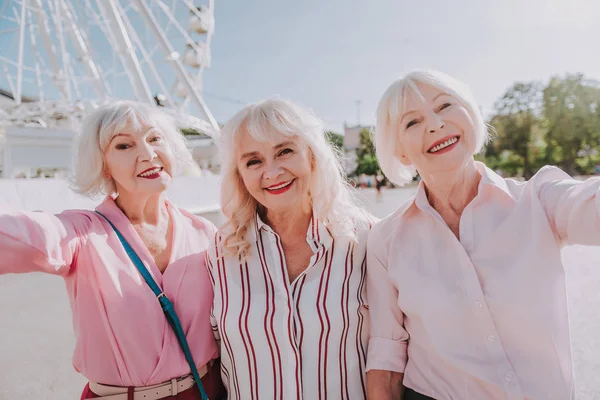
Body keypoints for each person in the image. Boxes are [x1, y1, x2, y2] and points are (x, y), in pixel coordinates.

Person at [365, 69, 600, 400]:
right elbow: (385, 357)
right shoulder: (385, 242)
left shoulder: (539, 199)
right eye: (412, 122)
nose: (434, 124)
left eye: (445, 106)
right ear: (400, 151)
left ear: (470, 115)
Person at [0, 101, 225, 400]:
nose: (147, 154)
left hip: (204, 391)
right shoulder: (82, 233)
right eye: (124, 146)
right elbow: (24, 235)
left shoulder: (204, 233)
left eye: (155, 138)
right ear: (103, 165)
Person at [207, 98, 373, 399]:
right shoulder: (221, 251)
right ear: (239, 175)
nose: (272, 172)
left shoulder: (367, 238)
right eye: (253, 161)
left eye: (285, 151)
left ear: (312, 156)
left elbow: (393, 350)